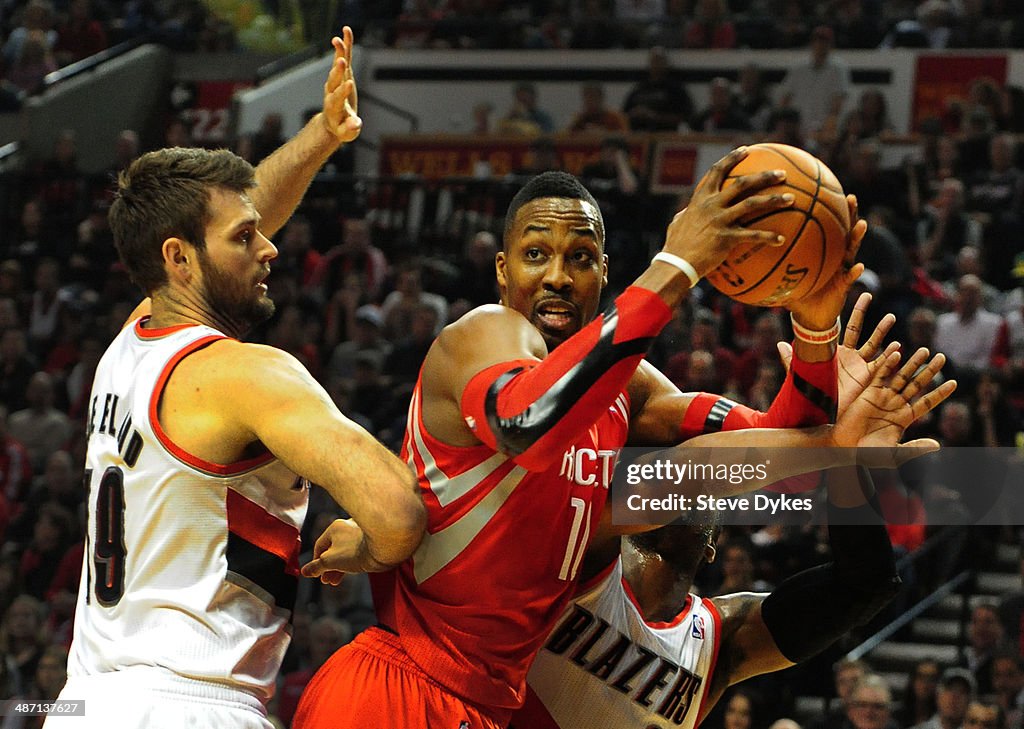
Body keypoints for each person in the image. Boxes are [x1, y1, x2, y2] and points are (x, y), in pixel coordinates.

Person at [294, 148, 951, 728]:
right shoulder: (482, 334)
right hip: (401, 684)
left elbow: (773, 444)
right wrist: (677, 265)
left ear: (603, 273)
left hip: (487, 704)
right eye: (536, 253)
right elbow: (531, 424)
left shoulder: (626, 390)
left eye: (579, 258)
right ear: (501, 270)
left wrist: (813, 326)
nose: (556, 275)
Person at [44, 28, 426, 729]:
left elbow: (236, 215)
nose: (271, 244)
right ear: (179, 258)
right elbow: (399, 512)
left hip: (88, 702)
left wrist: (321, 134)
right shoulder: (249, 375)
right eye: (246, 239)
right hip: (194, 705)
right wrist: (367, 546)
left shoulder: (133, 337)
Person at [510, 302, 954, 728]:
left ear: (711, 546)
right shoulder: (583, 551)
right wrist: (826, 438)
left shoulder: (720, 641)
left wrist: (849, 466)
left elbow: (864, 584)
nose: (693, 484)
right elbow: (684, 472)